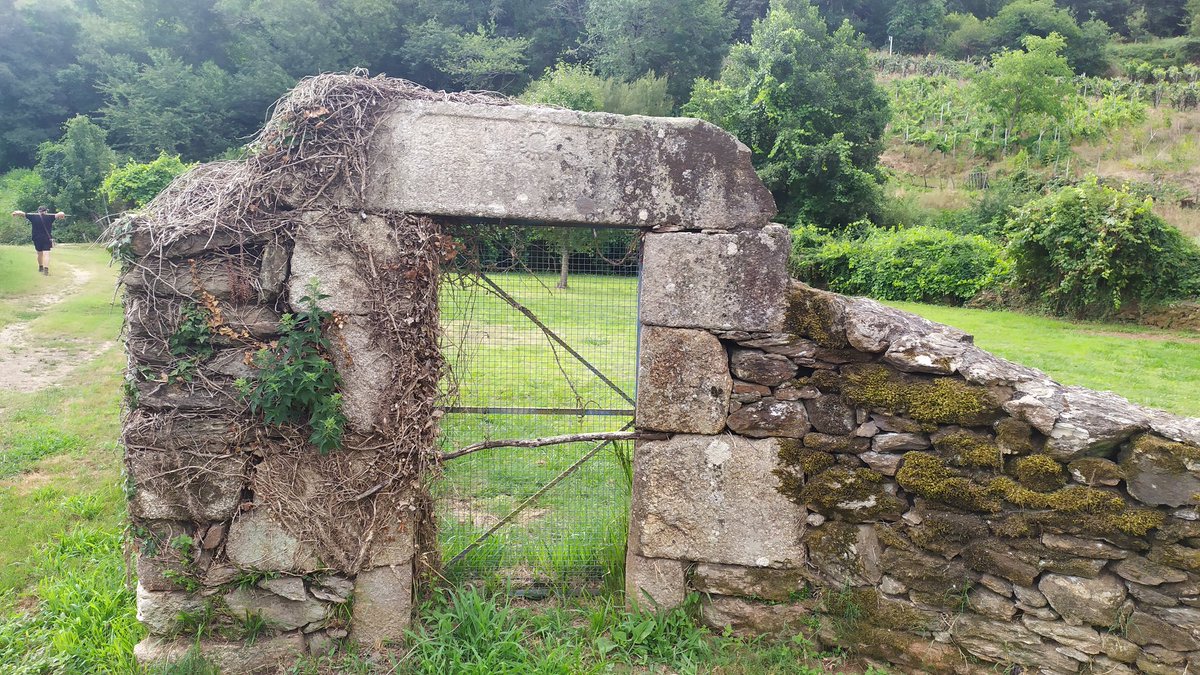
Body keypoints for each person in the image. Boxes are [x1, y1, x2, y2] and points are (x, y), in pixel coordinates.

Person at [10, 206, 65, 275]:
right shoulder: (50, 217)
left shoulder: (33, 217)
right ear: (46, 211)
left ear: (38, 211)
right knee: (46, 254)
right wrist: (62, 215)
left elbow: (22, 213)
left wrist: (15, 213)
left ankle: (41, 267)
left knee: (39, 254)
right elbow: (61, 213)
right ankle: (46, 270)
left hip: (37, 238)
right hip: (46, 238)